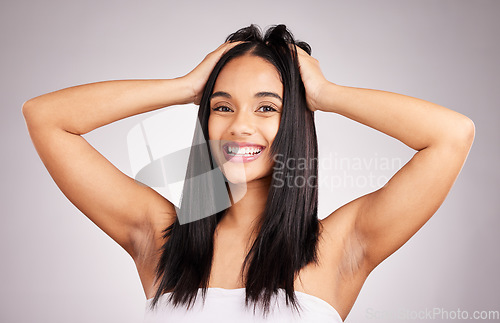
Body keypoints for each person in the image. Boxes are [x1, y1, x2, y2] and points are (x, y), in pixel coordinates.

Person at [22, 24, 474, 322]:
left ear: (295, 120)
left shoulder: (343, 245)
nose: (240, 124)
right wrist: (185, 87)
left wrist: (323, 92)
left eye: (267, 107)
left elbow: (451, 135)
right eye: (222, 107)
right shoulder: (158, 237)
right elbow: (45, 117)